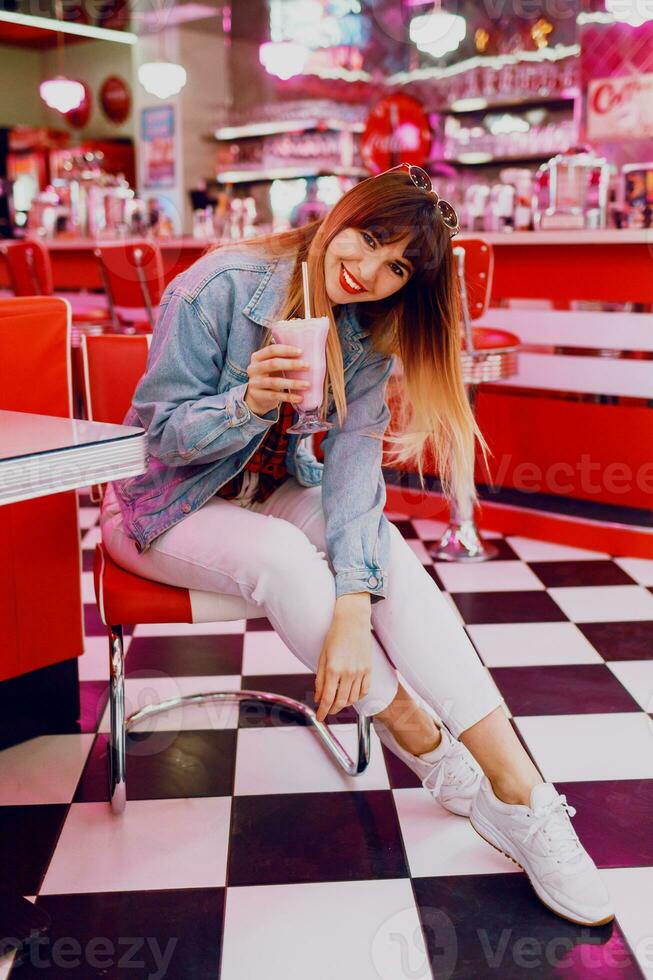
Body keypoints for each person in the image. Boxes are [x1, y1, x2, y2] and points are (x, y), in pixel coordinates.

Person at [100, 164, 613, 928]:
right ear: (342, 213)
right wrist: (245, 403)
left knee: (386, 558)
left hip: (270, 490)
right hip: (163, 507)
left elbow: (350, 475)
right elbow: (155, 441)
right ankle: (419, 738)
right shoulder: (217, 286)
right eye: (370, 240)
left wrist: (352, 605)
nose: (368, 272)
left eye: (396, 266)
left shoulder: (365, 328)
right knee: (281, 557)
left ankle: (520, 795)